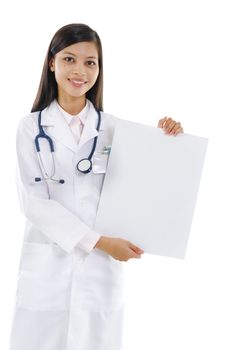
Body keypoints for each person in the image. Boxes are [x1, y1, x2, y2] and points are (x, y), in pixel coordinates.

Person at [9, 23, 184, 350]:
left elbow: (148, 182)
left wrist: (169, 138)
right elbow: (33, 203)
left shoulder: (114, 129)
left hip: (100, 273)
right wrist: (99, 241)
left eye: (90, 62)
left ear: (99, 69)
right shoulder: (30, 129)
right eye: (70, 59)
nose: (80, 71)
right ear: (52, 63)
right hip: (47, 267)